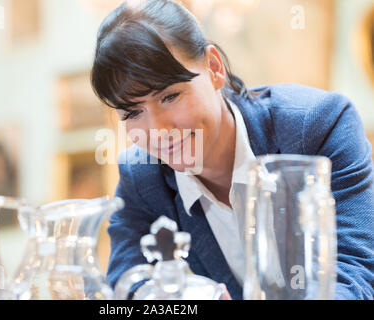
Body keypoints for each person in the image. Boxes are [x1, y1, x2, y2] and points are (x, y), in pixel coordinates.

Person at [90, 0, 374, 299]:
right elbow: (126, 289)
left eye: (169, 96)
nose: (158, 131)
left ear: (214, 68)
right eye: (132, 113)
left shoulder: (317, 126)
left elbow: (356, 271)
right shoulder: (142, 179)